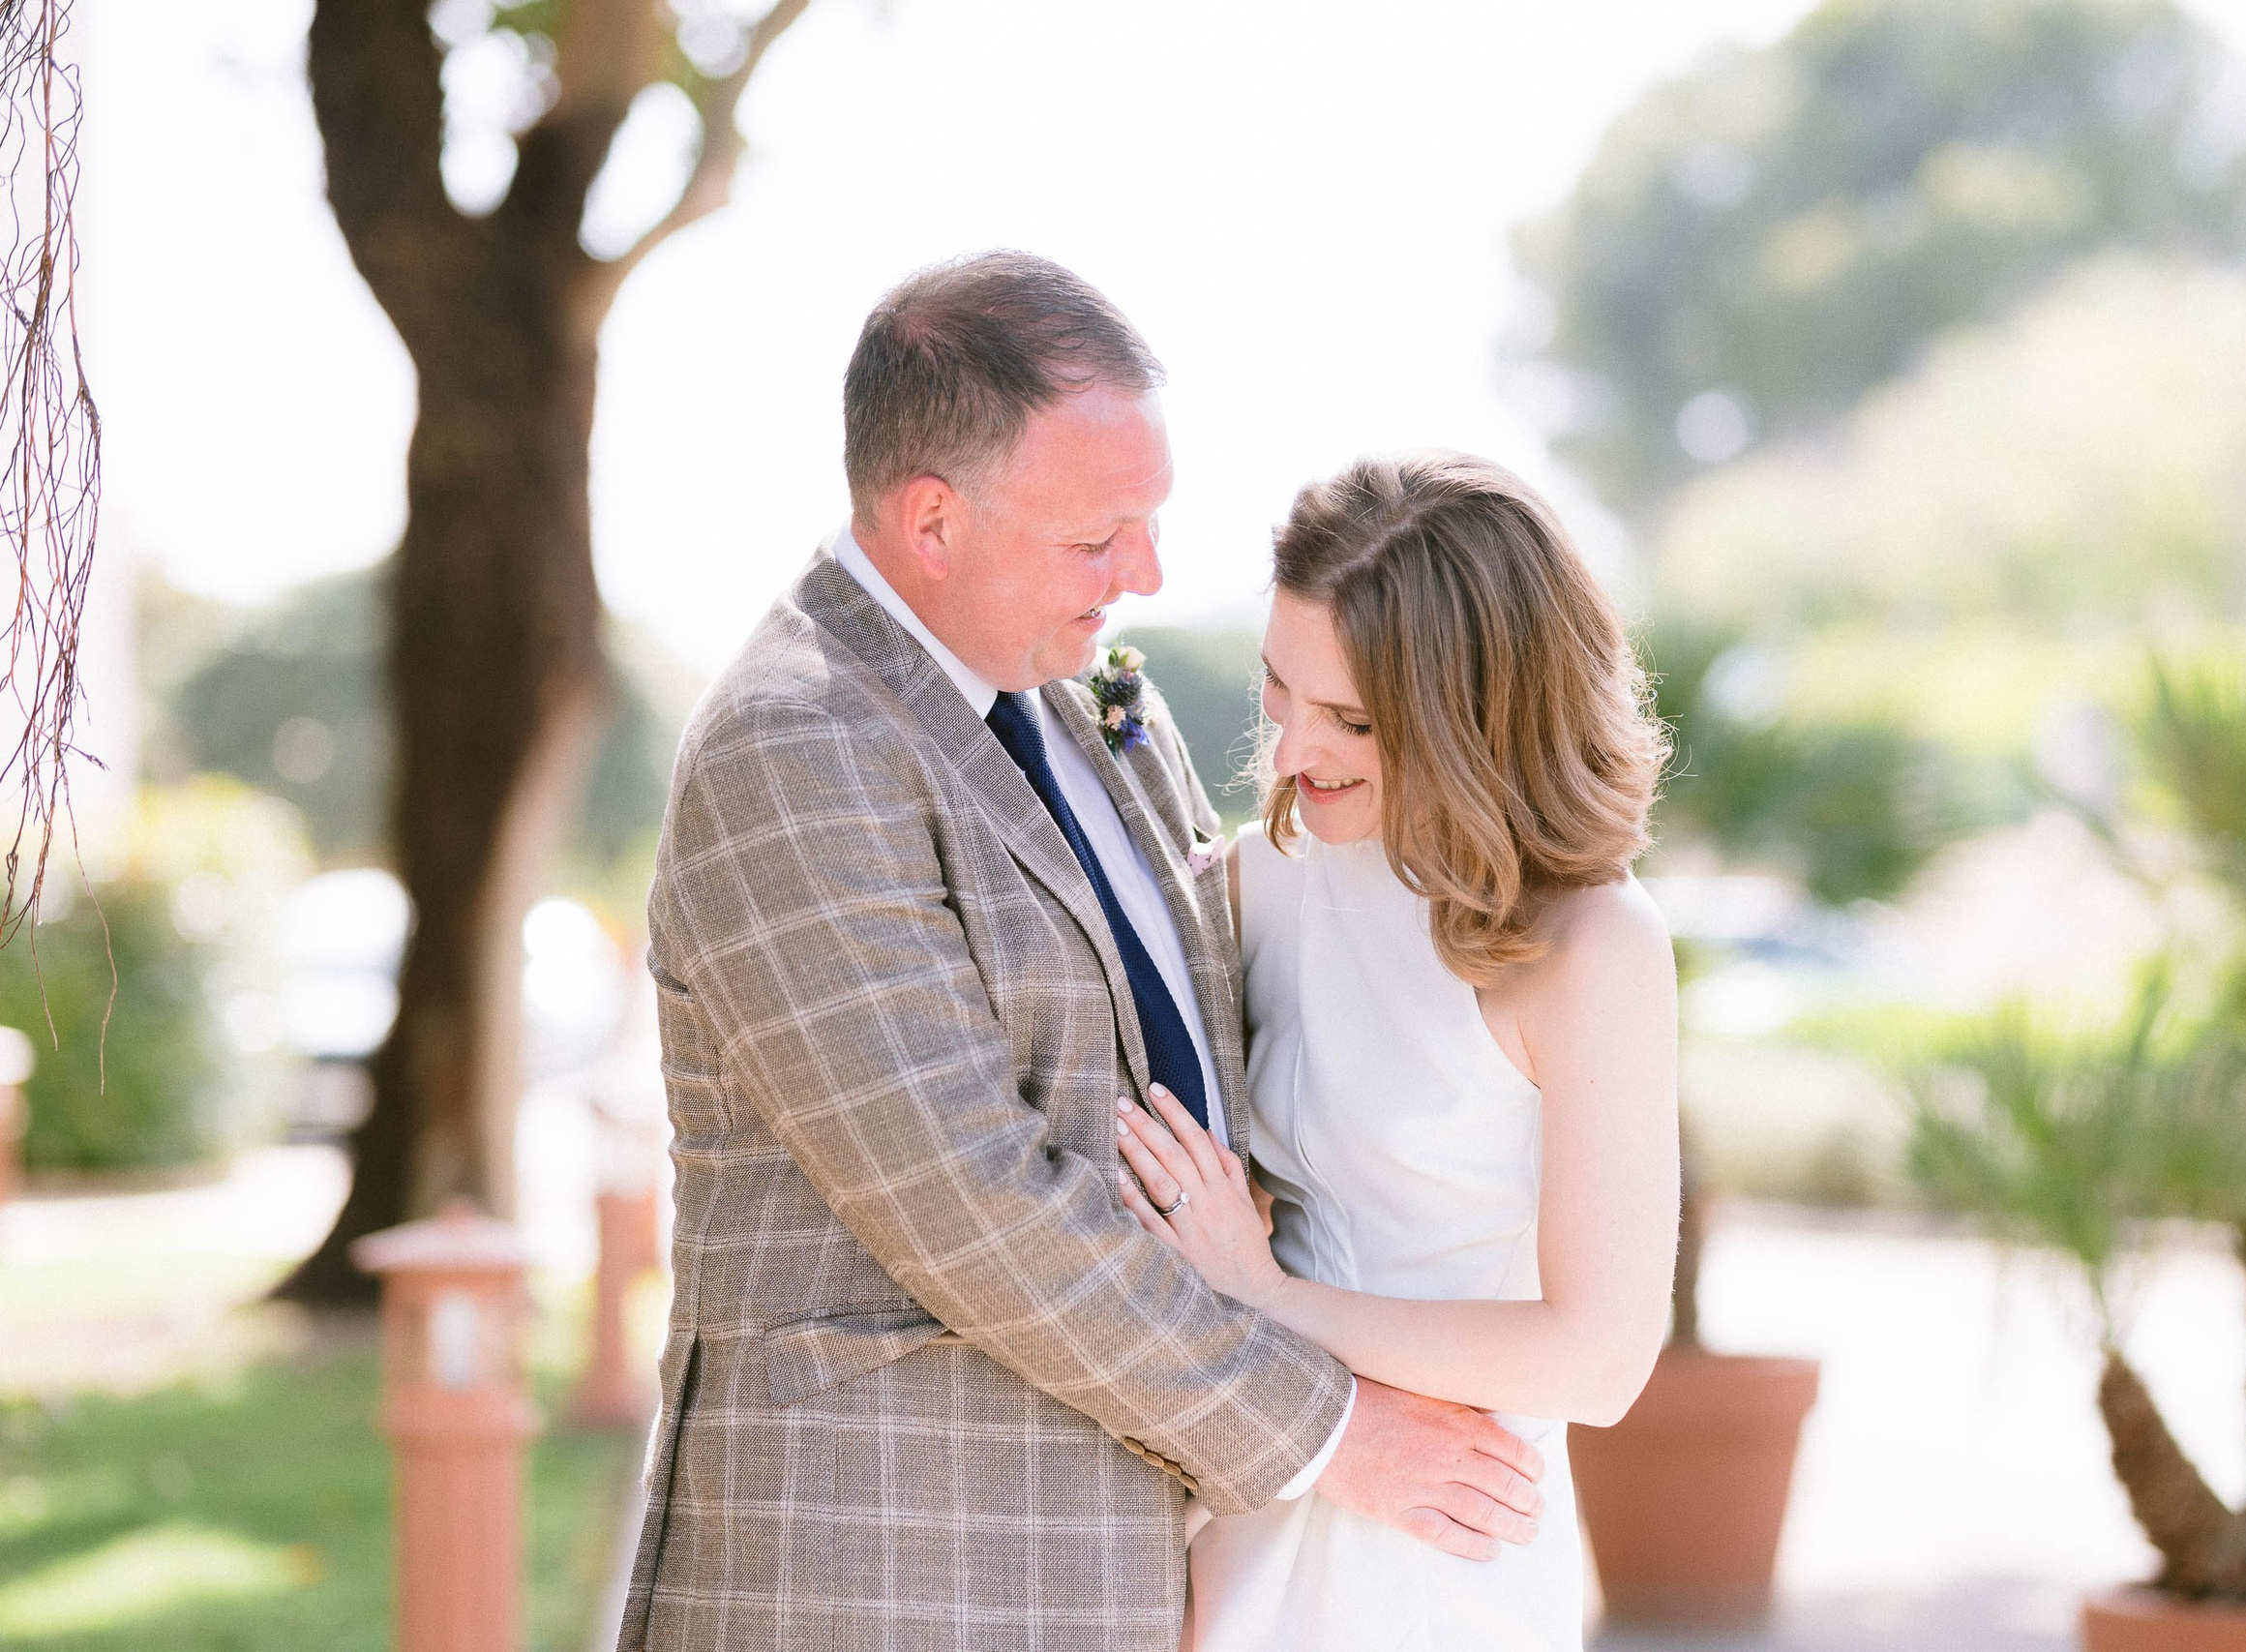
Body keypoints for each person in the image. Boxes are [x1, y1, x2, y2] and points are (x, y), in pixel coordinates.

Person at [619, 256, 1545, 1652]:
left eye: (1153, 518)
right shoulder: (795, 744)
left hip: (1137, 1560)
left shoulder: (1085, 691)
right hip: (882, 1571)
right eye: (1098, 534)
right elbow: (971, 1202)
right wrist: (1330, 1430)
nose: (1149, 573)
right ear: (930, 518)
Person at [1112, 453, 1682, 1651]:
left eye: (1352, 722)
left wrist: (1267, 1297)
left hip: (1448, 1547)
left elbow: (1597, 1359)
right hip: (1254, 1516)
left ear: (1480, 713)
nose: (1289, 756)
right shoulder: (1262, 885)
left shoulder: (1591, 945)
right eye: (1278, 693)